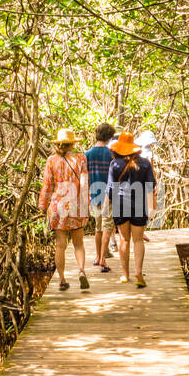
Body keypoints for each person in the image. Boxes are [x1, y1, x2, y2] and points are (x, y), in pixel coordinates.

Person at [38, 128, 91, 291]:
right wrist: (86, 205)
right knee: (79, 243)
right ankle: (81, 271)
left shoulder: (51, 161)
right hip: (75, 205)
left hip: (57, 206)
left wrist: (42, 206)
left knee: (60, 245)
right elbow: (84, 184)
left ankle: (62, 280)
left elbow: (47, 185)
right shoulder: (81, 159)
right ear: (72, 143)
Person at [108, 131, 156, 288]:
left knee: (124, 239)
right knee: (138, 240)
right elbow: (150, 188)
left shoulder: (115, 164)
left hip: (120, 204)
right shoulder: (145, 163)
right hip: (139, 204)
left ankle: (125, 274)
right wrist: (150, 209)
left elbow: (110, 190)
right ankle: (139, 273)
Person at [85, 123, 116, 273]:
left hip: (94, 194)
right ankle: (103, 259)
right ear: (109, 136)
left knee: (98, 228)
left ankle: (97, 257)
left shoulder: (87, 154)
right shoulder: (112, 153)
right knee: (107, 227)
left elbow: (85, 176)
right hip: (109, 196)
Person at [134, 130, 158, 238]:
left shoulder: (136, 151)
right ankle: (141, 231)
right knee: (149, 207)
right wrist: (154, 183)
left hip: (137, 181)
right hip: (147, 181)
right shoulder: (148, 152)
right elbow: (151, 168)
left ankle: (139, 231)